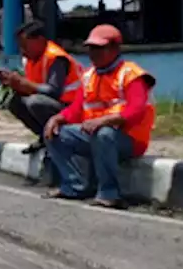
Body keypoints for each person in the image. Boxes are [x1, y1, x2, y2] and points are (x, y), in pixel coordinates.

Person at [41, 24, 156, 209]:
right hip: (96, 134)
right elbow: (76, 109)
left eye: (99, 48)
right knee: (55, 133)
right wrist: (58, 118)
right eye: (91, 48)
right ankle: (74, 186)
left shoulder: (131, 74)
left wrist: (104, 121)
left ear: (115, 49)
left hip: (128, 139)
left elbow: (136, 111)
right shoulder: (89, 76)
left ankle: (109, 194)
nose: (93, 53)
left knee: (104, 134)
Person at [0, 19, 82, 153]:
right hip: (56, 105)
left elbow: (53, 91)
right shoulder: (31, 60)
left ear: (40, 40)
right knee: (15, 102)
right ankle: (45, 137)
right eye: (20, 46)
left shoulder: (56, 58)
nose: (22, 50)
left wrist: (26, 84)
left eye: (25, 45)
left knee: (35, 102)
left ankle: (60, 139)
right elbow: (33, 88)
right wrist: (15, 84)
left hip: (72, 108)